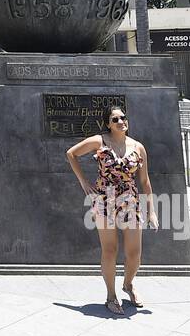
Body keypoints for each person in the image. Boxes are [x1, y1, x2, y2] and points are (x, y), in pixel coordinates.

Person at [65, 104, 158, 314]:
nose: (120, 122)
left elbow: (145, 181)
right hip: (105, 199)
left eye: (123, 118)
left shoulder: (137, 147)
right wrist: (83, 182)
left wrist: (151, 211)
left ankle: (128, 284)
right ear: (108, 123)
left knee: (134, 253)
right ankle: (111, 296)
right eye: (115, 119)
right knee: (110, 250)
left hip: (130, 201)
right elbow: (71, 154)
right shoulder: (100, 141)